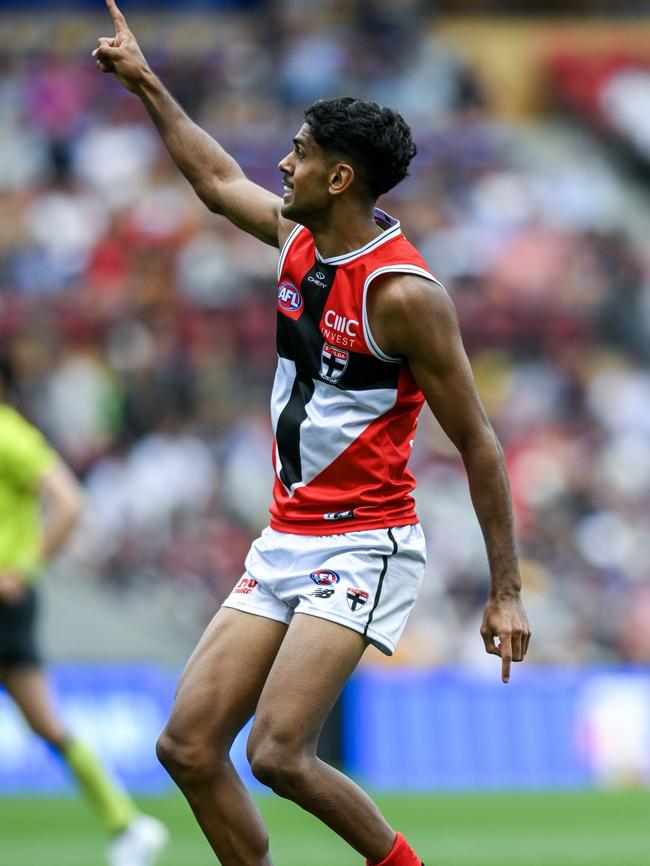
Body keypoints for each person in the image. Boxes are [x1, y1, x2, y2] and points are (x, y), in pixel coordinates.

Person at [94, 3, 531, 865]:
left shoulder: (403, 295)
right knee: (186, 747)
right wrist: (146, 82)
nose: (282, 162)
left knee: (277, 753)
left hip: (364, 541)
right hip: (286, 535)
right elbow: (215, 179)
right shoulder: (297, 240)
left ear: (339, 179)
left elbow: (478, 441)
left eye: (299, 152)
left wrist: (506, 589)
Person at [0, 354, 168, 866]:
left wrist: (24, 568)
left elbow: (69, 502)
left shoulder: (9, 435)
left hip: (5, 599)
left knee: (46, 721)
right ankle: (127, 821)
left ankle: (129, 821)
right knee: (46, 724)